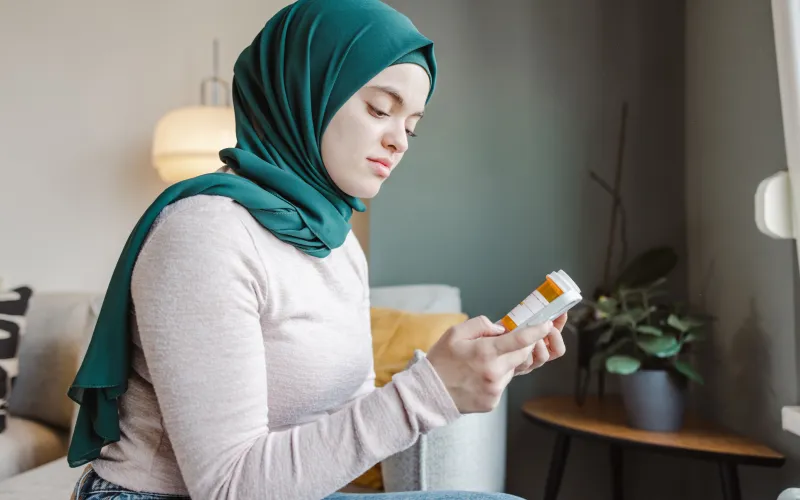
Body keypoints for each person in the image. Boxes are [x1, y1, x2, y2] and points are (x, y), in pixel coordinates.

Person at [67, 0, 568, 499]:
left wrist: (463, 375)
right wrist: (428, 392)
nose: (400, 142)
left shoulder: (338, 244)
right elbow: (227, 488)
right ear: (303, 92)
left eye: (411, 125)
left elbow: (343, 428)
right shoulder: (206, 233)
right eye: (379, 109)